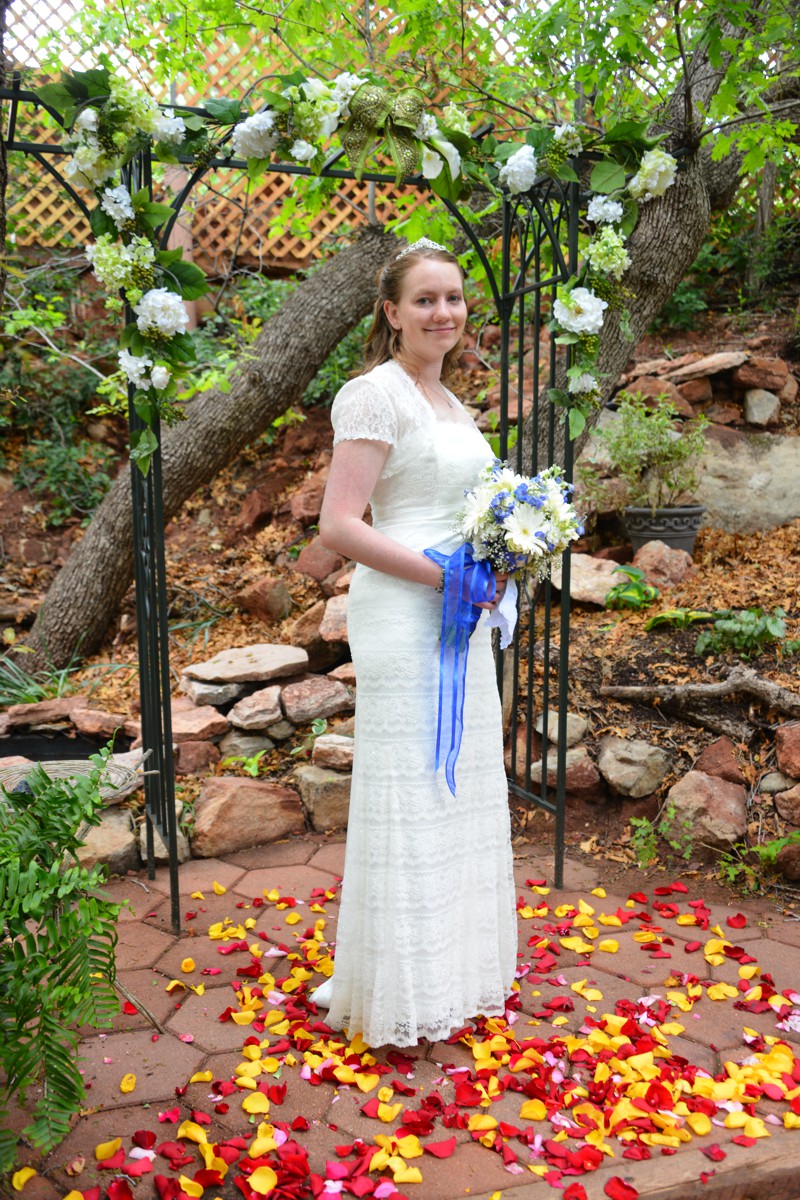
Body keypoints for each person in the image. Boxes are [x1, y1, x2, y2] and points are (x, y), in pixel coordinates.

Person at [315, 237, 517, 1048]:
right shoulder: (374, 396)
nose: (445, 312)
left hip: (462, 614)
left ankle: (449, 970)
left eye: (455, 298)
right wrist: (443, 578)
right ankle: (398, 980)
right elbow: (338, 526)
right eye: (426, 300)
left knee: (458, 783)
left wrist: (498, 564)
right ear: (391, 313)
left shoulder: (453, 404)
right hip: (406, 611)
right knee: (409, 784)